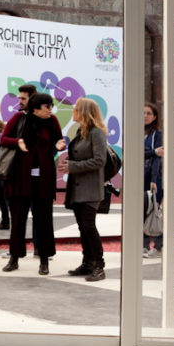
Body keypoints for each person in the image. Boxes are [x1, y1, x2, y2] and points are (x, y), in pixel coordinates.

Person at [0, 94, 64, 275]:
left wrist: (60, 145)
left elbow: (58, 140)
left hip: (44, 179)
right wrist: (17, 141)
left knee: (44, 221)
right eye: (47, 106)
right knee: (18, 220)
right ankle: (14, 258)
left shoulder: (52, 121)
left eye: (51, 106)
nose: (50, 109)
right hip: (20, 178)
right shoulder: (19, 119)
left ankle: (44, 260)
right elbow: (4, 139)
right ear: (35, 108)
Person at [59, 97, 108, 282]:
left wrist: (74, 166)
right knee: (83, 227)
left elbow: (100, 160)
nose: (73, 111)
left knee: (88, 226)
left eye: (76, 109)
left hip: (90, 188)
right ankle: (88, 262)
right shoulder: (81, 132)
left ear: (84, 112)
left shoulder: (97, 132)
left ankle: (99, 265)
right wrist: (69, 163)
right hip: (78, 188)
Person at [143, 101, 164, 258]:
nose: (145, 116)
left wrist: (154, 179)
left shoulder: (157, 134)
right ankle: (143, 245)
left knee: (154, 211)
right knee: (141, 213)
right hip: (139, 177)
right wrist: (153, 152)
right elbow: (134, 154)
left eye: (149, 113)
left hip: (152, 177)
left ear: (155, 117)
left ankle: (157, 245)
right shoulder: (135, 133)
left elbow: (158, 157)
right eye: (143, 113)